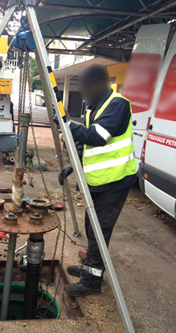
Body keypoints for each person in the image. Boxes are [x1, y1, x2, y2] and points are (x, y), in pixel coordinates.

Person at [58, 64, 136, 297]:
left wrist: (68, 125)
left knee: (100, 230)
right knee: (91, 228)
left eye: (86, 88)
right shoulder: (96, 107)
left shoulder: (118, 104)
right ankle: (89, 269)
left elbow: (99, 137)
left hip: (115, 181)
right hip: (98, 181)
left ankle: (91, 282)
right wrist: (74, 165)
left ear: (100, 85)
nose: (83, 94)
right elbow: (89, 146)